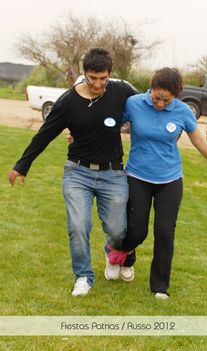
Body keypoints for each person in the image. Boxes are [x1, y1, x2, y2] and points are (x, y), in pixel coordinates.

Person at [8, 48, 137, 296]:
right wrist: (22, 165)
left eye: (103, 78)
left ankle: (114, 254)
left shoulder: (120, 91)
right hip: (78, 173)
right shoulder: (68, 102)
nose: (99, 84)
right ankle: (83, 276)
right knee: (78, 226)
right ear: (84, 74)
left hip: (113, 173)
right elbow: (44, 134)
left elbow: (146, 106)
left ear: (110, 74)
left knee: (117, 230)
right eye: (93, 78)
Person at [107, 67, 207, 299]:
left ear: (176, 95)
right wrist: (80, 135)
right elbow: (111, 126)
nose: (161, 103)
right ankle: (120, 254)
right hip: (137, 176)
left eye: (167, 99)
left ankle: (160, 286)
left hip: (170, 180)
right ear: (151, 89)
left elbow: (198, 140)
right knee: (136, 230)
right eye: (157, 98)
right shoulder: (134, 103)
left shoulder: (183, 111)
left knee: (165, 231)